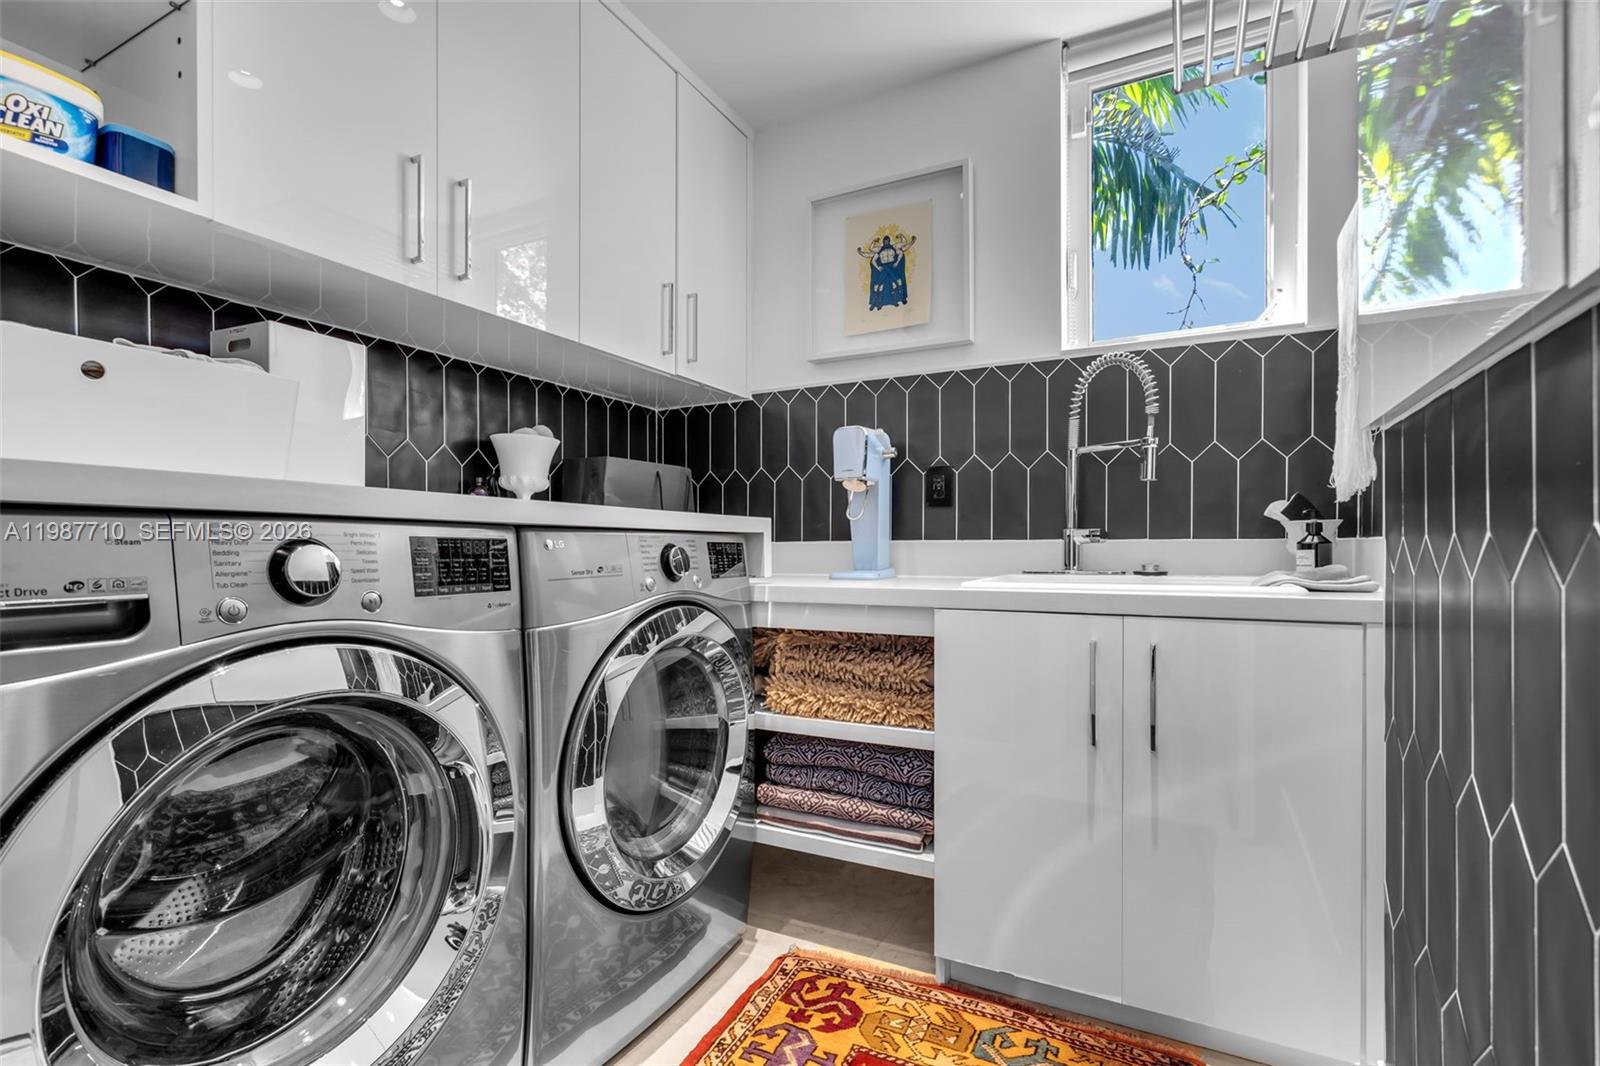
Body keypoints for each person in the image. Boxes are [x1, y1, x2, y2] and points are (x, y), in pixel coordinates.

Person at [857, 232, 915, 310]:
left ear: (889, 241)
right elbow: (870, 251)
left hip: (892, 267)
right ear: (883, 241)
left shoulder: (894, 247)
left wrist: (901, 236)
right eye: (885, 240)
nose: (886, 241)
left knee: (898, 282)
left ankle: (899, 299)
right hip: (883, 268)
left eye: (887, 240)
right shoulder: (879, 249)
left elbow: (903, 247)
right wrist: (874, 241)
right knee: (878, 286)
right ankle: (876, 303)